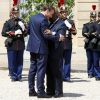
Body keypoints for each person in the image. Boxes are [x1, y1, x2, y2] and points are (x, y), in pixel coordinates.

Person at [27, 5, 65, 98]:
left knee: (32, 70)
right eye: (51, 14)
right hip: (41, 49)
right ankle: (40, 92)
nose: (51, 16)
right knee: (41, 70)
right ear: (47, 11)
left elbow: (28, 31)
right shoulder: (43, 20)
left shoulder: (32, 18)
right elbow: (46, 35)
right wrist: (58, 37)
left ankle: (31, 90)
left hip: (32, 47)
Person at [1, 7, 27, 81]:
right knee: (12, 61)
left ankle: (19, 75)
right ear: (12, 13)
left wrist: (23, 29)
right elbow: (3, 33)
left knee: (20, 61)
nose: (16, 14)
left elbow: (25, 33)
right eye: (14, 13)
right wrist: (11, 33)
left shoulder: (22, 21)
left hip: (20, 43)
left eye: (17, 13)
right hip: (12, 44)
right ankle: (13, 75)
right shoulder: (8, 22)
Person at [46, 11, 67, 98]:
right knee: (49, 71)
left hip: (57, 51)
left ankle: (58, 92)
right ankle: (50, 90)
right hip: (49, 51)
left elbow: (61, 37)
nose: (49, 17)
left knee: (57, 72)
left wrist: (52, 33)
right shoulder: (50, 23)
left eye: (50, 15)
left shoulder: (61, 24)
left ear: (55, 15)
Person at [60, 7, 77, 82]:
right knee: (59, 61)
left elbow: (75, 32)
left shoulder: (70, 21)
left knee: (67, 61)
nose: (65, 13)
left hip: (68, 43)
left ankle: (66, 77)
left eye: (66, 12)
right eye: (63, 12)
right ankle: (60, 76)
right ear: (60, 13)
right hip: (59, 43)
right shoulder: (58, 21)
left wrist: (70, 27)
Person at [82, 12, 96, 78]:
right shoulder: (86, 25)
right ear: (90, 17)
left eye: (94, 17)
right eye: (92, 16)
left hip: (96, 45)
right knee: (90, 60)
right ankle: (90, 73)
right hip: (89, 45)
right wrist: (90, 33)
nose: (93, 18)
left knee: (96, 60)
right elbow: (84, 32)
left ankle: (95, 73)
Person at [91, 12, 100, 80]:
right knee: (96, 62)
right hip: (96, 45)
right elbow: (90, 33)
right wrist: (95, 34)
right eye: (99, 16)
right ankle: (97, 75)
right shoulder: (94, 24)